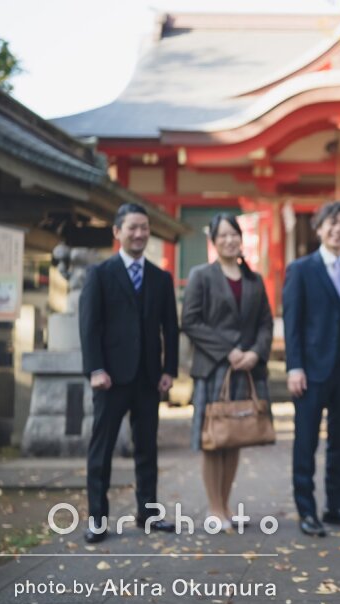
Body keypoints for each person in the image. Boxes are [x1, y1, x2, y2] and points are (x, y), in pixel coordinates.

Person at [79, 203, 179, 543]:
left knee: (147, 448)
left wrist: (169, 370)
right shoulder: (100, 274)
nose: (139, 234)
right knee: (102, 448)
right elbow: (89, 326)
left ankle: (148, 513)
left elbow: (171, 328)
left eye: (144, 228)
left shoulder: (160, 277)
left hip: (149, 377)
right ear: (117, 232)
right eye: (132, 227)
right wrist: (95, 368)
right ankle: (97, 518)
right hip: (109, 377)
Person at [181, 213, 273, 528]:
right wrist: (228, 350)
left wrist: (255, 353)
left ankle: (226, 504)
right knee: (213, 438)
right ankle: (213, 508)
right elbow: (190, 321)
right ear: (214, 241)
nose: (230, 240)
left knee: (234, 437)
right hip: (213, 369)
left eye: (234, 234)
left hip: (244, 369)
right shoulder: (201, 276)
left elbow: (265, 322)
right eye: (222, 236)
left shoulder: (254, 279)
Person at [283, 201, 340, 537]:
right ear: (319, 228)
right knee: (305, 442)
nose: (338, 229)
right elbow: (293, 321)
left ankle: (336, 506)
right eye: (332, 223)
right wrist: (295, 367)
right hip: (311, 370)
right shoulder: (301, 269)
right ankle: (307, 510)